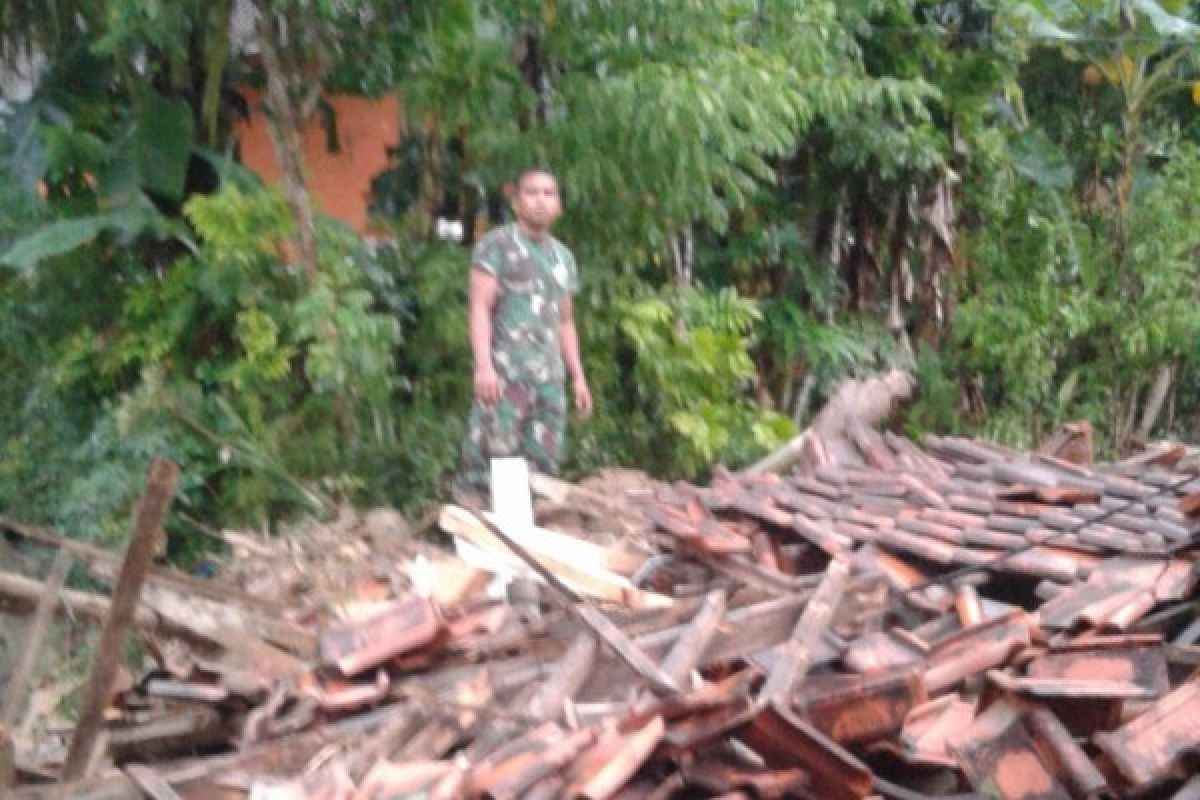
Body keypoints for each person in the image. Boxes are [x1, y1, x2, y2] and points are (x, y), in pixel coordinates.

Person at [459, 168, 593, 500]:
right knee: (491, 461)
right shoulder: (496, 247)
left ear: (559, 205)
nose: (540, 201)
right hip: (505, 378)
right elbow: (480, 308)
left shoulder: (563, 258)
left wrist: (577, 376)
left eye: (549, 194)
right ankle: (473, 535)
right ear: (517, 202)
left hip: (549, 380)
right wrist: (484, 367)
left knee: (543, 467)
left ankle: (532, 538)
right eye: (532, 193)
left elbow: (565, 322)